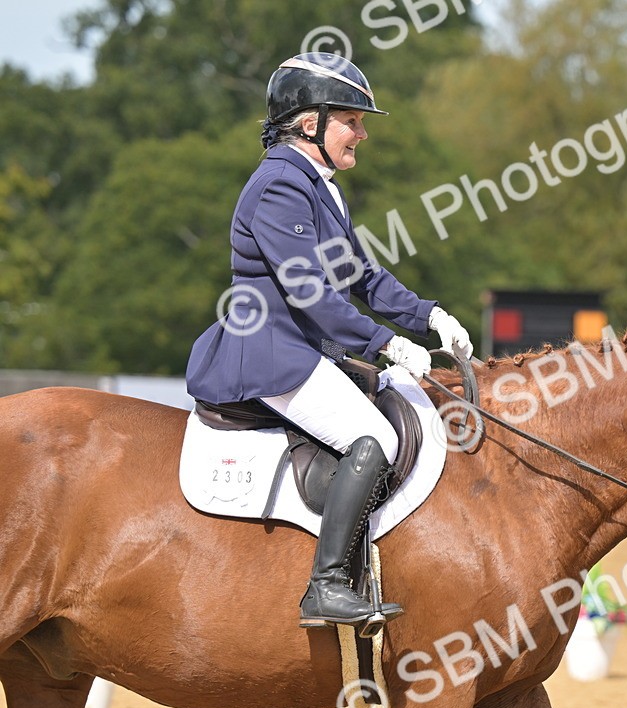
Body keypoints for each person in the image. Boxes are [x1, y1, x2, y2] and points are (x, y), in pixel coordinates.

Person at [185, 53, 473, 629]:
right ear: (308, 122)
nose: (363, 133)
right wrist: (384, 344)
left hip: (304, 347)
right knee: (375, 436)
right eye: (352, 120)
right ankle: (327, 585)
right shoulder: (278, 186)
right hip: (268, 351)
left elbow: (360, 274)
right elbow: (311, 293)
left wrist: (428, 315)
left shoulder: (319, 186)